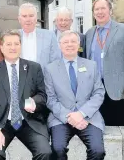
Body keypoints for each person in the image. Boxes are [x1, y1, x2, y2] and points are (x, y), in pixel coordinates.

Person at [0, 30, 53, 160]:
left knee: (45, 152)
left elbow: (43, 95)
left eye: (16, 44)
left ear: (21, 46)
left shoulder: (34, 68)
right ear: (1, 48)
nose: (13, 47)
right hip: (3, 123)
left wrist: (34, 102)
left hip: (29, 121)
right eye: (8, 44)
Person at [45, 30, 105, 160]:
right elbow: (50, 99)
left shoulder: (91, 65)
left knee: (98, 151)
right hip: (61, 118)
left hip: (89, 117)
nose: (69, 44)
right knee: (57, 149)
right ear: (60, 45)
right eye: (65, 42)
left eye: (73, 41)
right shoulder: (50, 69)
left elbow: (99, 93)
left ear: (79, 45)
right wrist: (69, 117)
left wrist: (81, 114)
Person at [85, 0, 124, 126]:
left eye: (103, 8)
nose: (100, 12)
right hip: (95, 89)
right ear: (93, 13)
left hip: (118, 90)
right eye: (96, 9)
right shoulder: (89, 33)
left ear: (110, 10)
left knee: (121, 128)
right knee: (98, 128)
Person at [18, 3, 60, 68]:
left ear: (36, 18)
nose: (28, 19)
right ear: (19, 19)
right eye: (24, 16)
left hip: (43, 77)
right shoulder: (14, 36)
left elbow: (56, 62)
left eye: (31, 16)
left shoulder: (50, 36)